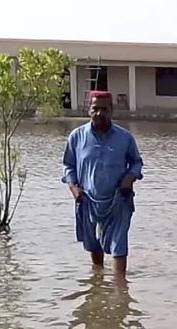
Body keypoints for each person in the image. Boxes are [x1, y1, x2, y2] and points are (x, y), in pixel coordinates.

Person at [62, 91, 143, 277]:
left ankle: (120, 291)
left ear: (111, 111)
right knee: (92, 244)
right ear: (88, 110)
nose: (99, 113)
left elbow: (137, 162)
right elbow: (68, 165)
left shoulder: (125, 138)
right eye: (95, 108)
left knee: (119, 244)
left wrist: (129, 179)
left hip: (118, 199)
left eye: (104, 109)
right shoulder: (76, 137)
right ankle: (97, 284)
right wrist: (74, 188)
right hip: (88, 199)